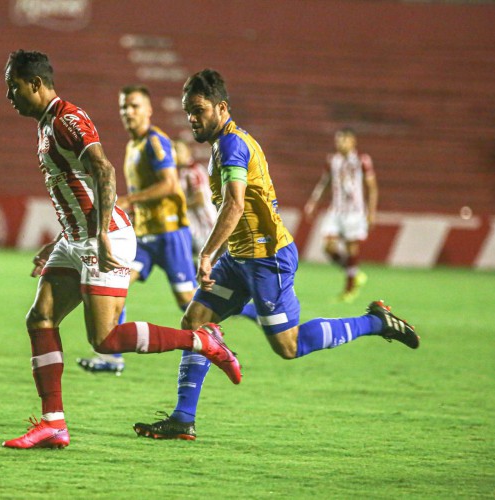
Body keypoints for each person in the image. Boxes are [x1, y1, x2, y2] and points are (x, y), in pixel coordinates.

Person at [133, 69, 419, 441]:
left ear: (221, 108)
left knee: (289, 345)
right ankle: (183, 419)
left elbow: (235, 204)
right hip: (240, 258)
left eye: (199, 110)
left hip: (268, 259)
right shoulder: (223, 144)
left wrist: (206, 254)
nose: (192, 118)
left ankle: (376, 322)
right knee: (196, 320)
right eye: (188, 110)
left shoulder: (233, 145)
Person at [1, 50, 242, 450]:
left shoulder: (67, 119)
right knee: (40, 319)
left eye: (14, 86)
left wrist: (99, 235)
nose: (9, 95)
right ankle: (53, 424)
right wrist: (60, 240)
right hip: (77, 237)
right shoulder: (45, 125)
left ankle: (203, 341)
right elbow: (76, 188)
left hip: (103, 237)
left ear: (36, 84)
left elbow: (104, 170)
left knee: (106, 340)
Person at [76, 85, 196, 375]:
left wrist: (129, 200)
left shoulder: (156, 142)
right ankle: (112, 356)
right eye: (124, 108)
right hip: (145, 235)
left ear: (149, 110)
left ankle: (244, 313)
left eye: (134, 106)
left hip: (170, 234)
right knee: (117, 281)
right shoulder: (133, 146)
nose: (128, 113)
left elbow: (169, 184)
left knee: (190, 304)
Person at [304, 127, 378, 302]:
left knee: (352, 248)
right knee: (328, 246)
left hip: (355, 212)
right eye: (338, 140)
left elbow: (372, 188)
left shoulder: (362, 160)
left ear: (353, 141)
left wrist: (372, 212)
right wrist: (313, 201)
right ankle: (354, 273)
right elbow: (325, 182)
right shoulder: (332, 161)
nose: (340, 143)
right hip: (336, 211)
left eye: (344, 140)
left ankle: (349, 289)